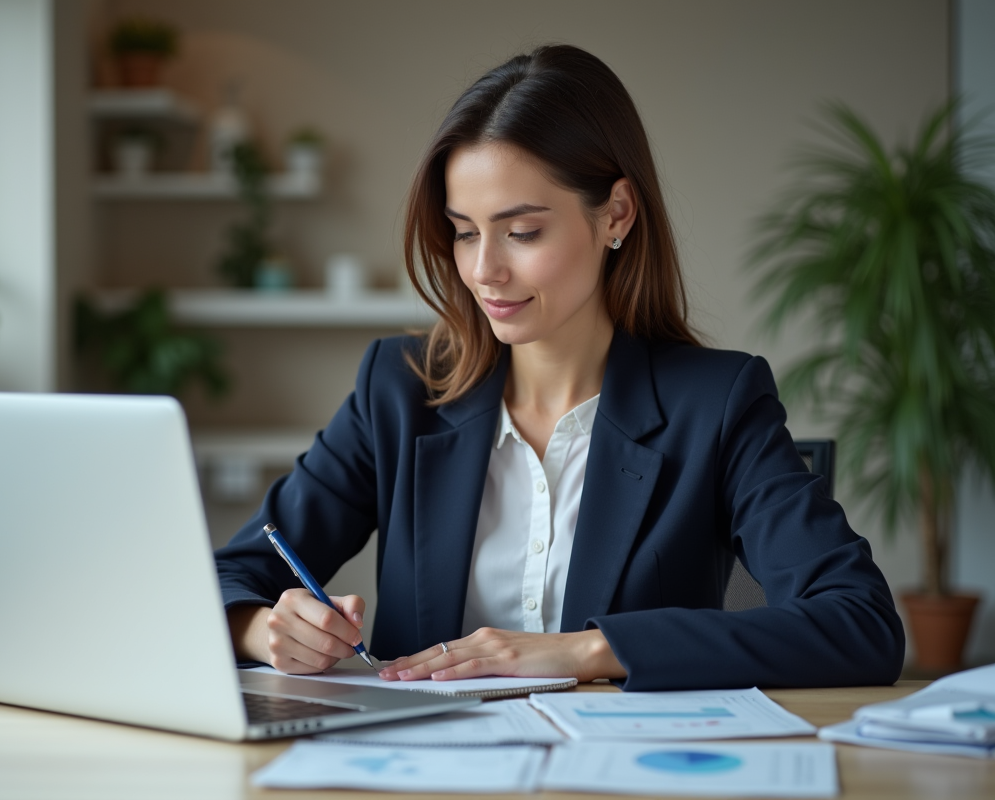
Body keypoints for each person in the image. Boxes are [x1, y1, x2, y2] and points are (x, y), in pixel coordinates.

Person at [215, 44, 904, 691]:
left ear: (617, 215)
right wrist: (263, 630)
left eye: (522, 232)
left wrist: (587, 651)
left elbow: (861, 623)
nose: (483, 270)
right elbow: (224, 577)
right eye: (462, 231)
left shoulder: (717, 403)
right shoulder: (398, 389)